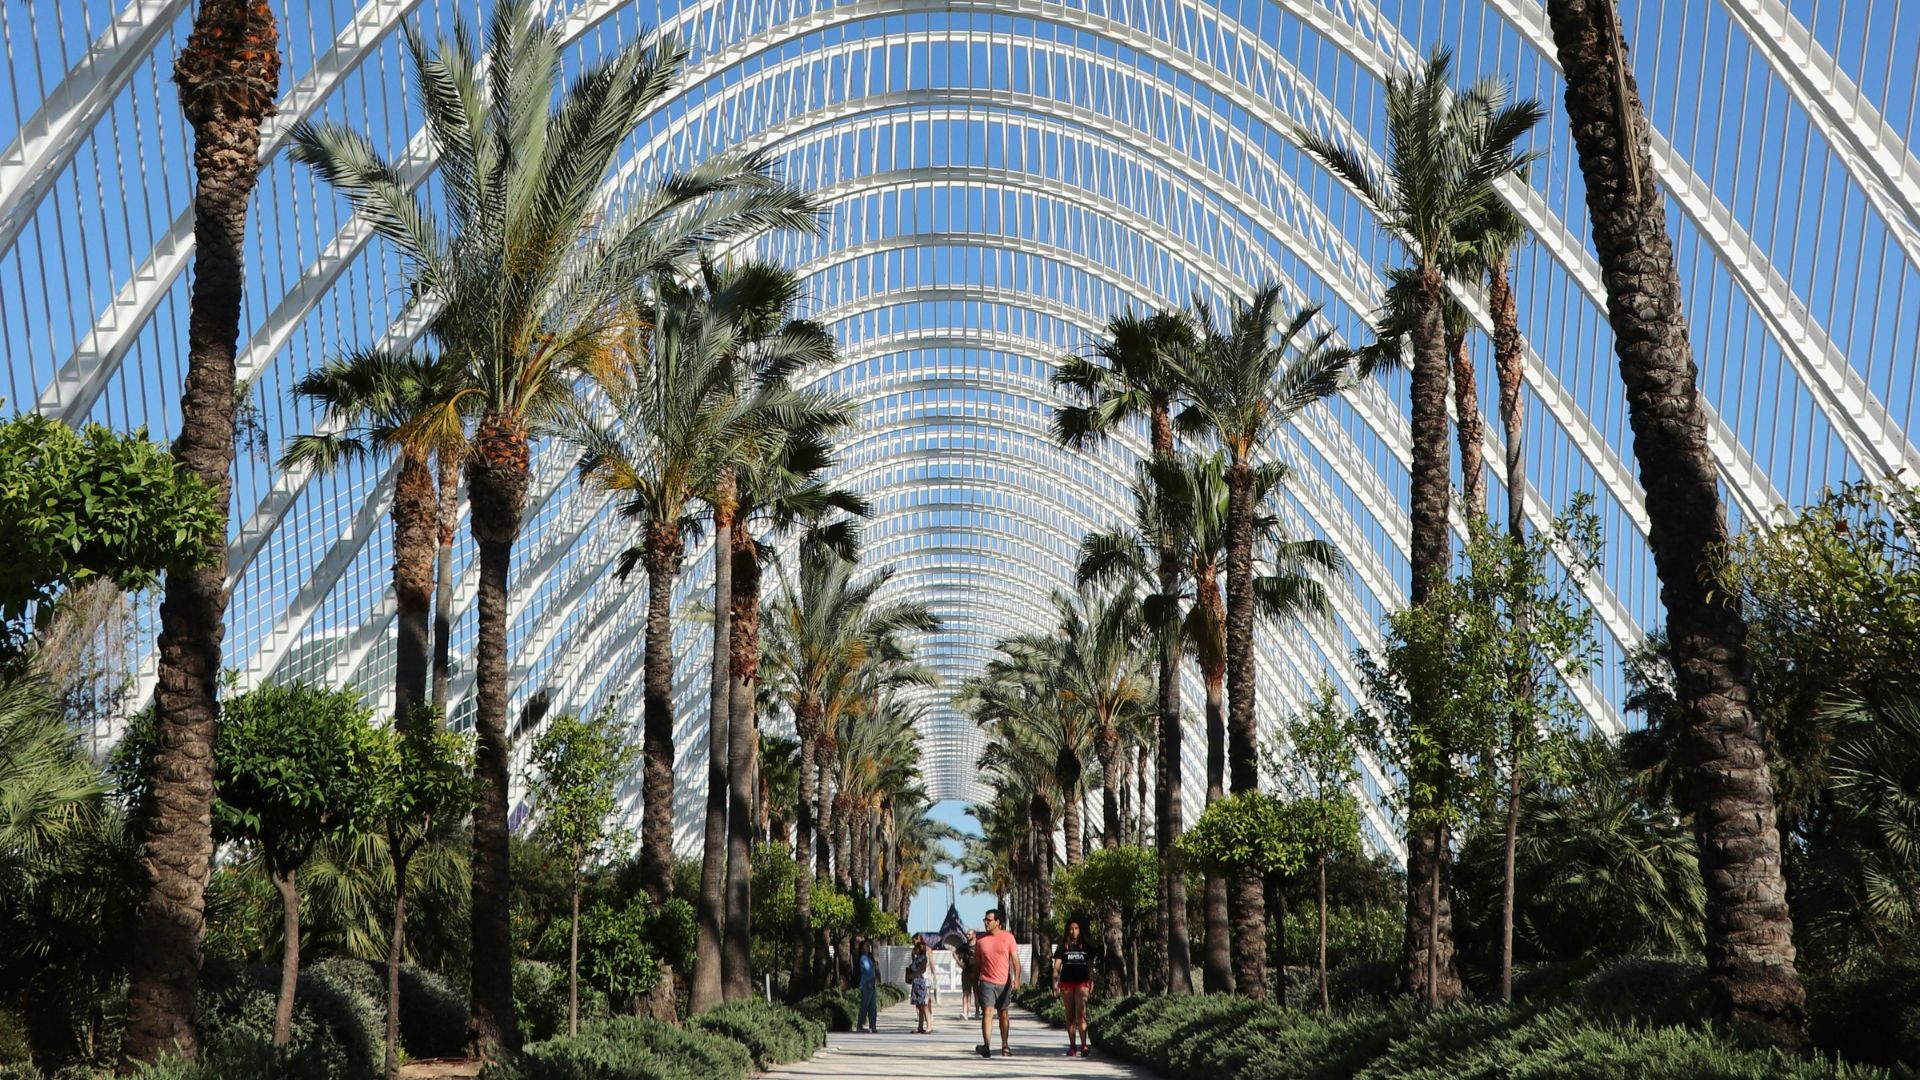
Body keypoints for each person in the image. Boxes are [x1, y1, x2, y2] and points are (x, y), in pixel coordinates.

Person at [972, 908, 1022, 1058]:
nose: (986, 923)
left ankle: (1005, 1045)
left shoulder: (1008, 938)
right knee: (987, 1012)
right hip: (986, 982)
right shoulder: (981, 941)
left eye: (989, 920)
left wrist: (1017, 979)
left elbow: (1015, 961)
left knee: (1003, 1014)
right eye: (985, 920)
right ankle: (986, 1046)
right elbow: (977, 965)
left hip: (1004, 983)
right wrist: (975, 985)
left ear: (998, 922)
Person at [1053, 916, 1096, 1056]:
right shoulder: (1062, 948)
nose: (1073, 931)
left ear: (1080, 930)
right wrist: (1055, 984)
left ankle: (1084, 1045)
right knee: (1070, 1016)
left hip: (1082, 983)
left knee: (1081, 1013)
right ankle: (1072, 1045)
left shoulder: (1086, 948)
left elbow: (1090, 967)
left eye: (1076, 928)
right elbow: (1057, 968)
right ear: (1067, 930)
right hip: (1066, 983)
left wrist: (1091, 981)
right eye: (1071, 929)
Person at [907, 939, 933, 1033]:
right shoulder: (917, 958)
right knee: (919, 1005)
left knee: (924, 1005)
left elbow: (922, 969)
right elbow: (913, 965)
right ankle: (920, 1026)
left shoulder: (924, 958)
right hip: (916, 983)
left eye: (916, 948)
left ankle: (929, 1026)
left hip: (922, 983)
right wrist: (912, 954)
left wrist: (913, 975)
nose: (914, 949)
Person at [956, 928, 981, 1020]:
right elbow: (954, 953)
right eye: (967, 934)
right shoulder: (964, 946)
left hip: (976, 972)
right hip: (966, 972)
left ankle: (977, 1011)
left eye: (969, 934)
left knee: (976, 993)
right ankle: (965, 1012)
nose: (968, 936)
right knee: (966, 993)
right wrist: (959, 963)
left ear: (974, 935)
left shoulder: (979, 945)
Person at [856, 941, 880, 1033]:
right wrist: (874, 965)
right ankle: (859, 1026)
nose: (868, 947)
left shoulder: (869, 958)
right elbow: (867, 970)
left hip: (872, 983)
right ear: (862, 948)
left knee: (872, 1006)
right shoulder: (863, 958)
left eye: (869, 946)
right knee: (864, 1005)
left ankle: (873, 1026)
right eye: (866, 946)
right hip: (867, 983)